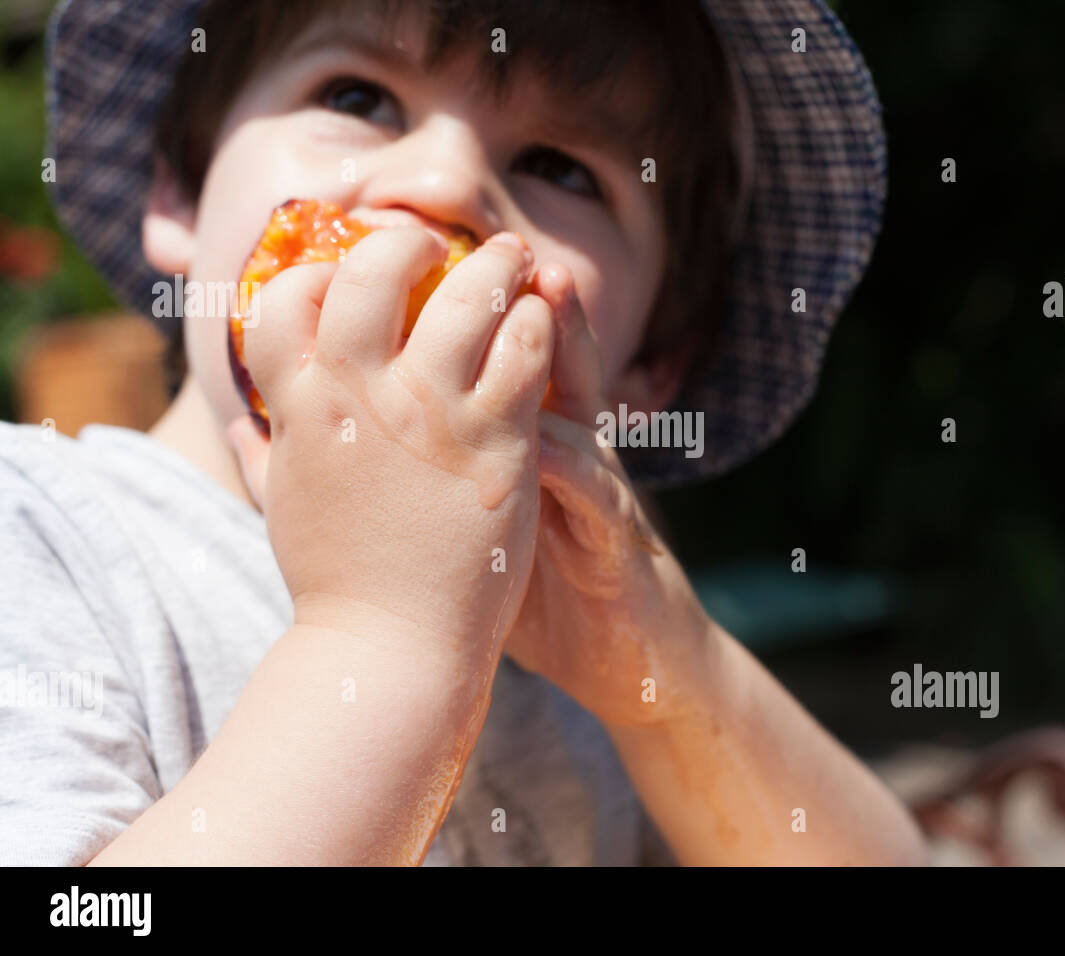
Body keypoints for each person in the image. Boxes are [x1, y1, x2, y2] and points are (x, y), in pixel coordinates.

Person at [0, 0, 923, 865]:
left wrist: (675, 687)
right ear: (182, 192)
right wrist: (382, 634)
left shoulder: (580, 683)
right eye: (356, 97)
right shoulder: (39, 538)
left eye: (560, 168)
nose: (444, 184)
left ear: (652, 369)